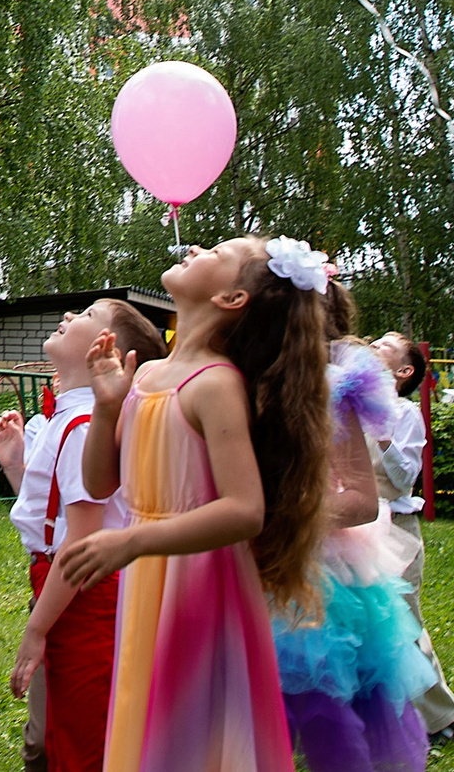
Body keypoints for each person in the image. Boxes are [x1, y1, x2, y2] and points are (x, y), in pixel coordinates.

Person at [57, 235, 337, 772]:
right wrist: (109, 407)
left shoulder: (216, 384)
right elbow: (99, 483)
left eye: (217, 254)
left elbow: (244, 509)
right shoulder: (145, 375)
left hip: (200, 585)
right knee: (149, 729)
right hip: (150, 578)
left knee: (189, 739)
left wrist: (135, 539)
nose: (197, 249)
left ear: (232, 299)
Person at [0, 298, 165, 772]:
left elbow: (80, 539)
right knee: (49, 734)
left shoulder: (86, 424)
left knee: (75, 739)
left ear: (111, 352)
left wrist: (36, 629)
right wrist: (17, 466)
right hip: (65, 587)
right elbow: (58, 516)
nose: (69, 316)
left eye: (87, 316)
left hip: (80, 593)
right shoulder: (72, 417)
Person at [274, 317, 435, 772]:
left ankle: (438, 716)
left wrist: (278, 517)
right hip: (256, 559)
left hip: (329, 555)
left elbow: (369, 493)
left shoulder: (338, 392)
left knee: (334, 690)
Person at [367, 332, 454, 745]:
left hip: (395, 531)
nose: (375, 343)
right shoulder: (348, 403)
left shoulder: (404, 414)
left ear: (404, 372)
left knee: (403, 623)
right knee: (365, 625)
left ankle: (442, 716)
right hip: (353, 527)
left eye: (386, 344)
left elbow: (405, 476)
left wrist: (382, 432)